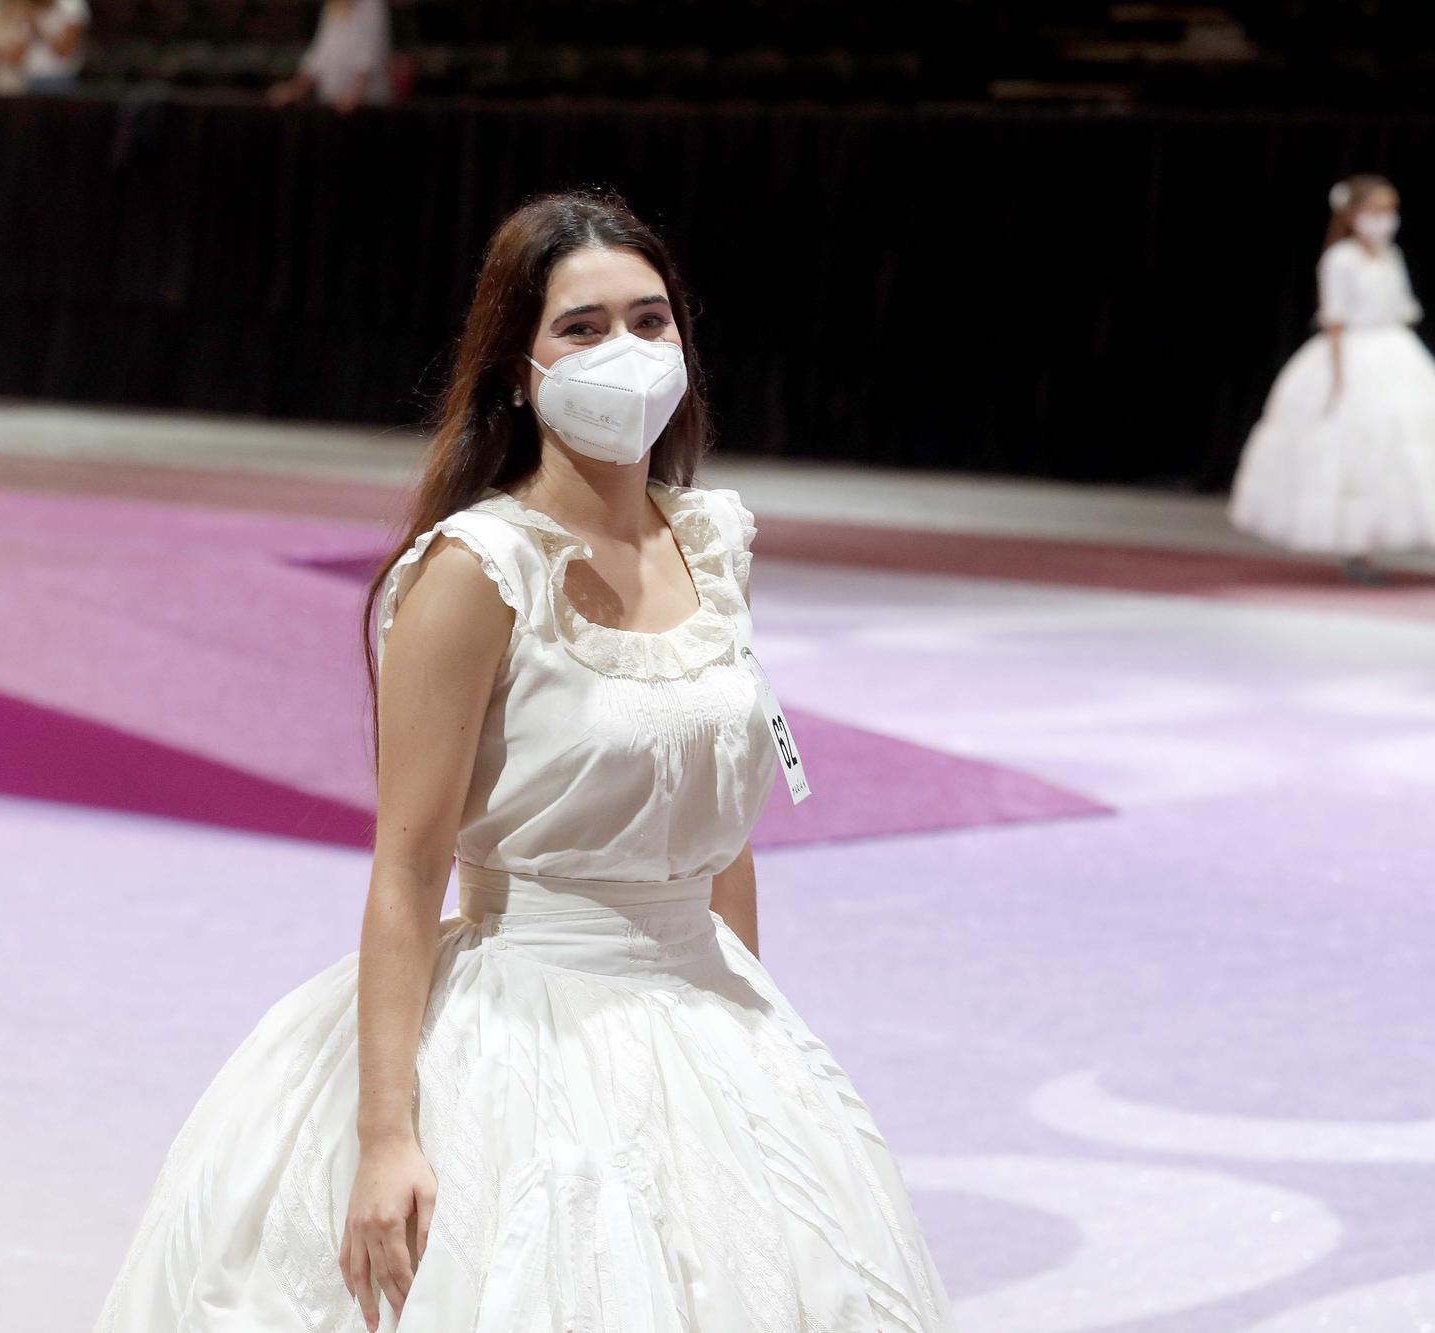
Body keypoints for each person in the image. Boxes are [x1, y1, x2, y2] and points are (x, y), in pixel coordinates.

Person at [91, 191, 957, 1332]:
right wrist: (387, 1132)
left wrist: (760, 1042)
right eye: (582, 328)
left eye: (650, 322)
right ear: (516, 366)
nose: (627, 353)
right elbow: (406, 867)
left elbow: (718, 828)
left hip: (710, 1018)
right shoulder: (476, 568)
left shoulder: (709, 544)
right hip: (527, 1026)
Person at [1229, 174, 1435, 583]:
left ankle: (1372, 542)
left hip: (1393, 351)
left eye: (1389, 211)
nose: (1385, 220)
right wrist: (1337, 379)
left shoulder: (1389, 255)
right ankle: (1354, 547)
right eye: (1376, 211)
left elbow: (1401, 309)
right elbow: (1335, 319)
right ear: (1353, 214)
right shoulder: (1340, 259)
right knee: (1349, 447)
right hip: (1354, 353)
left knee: (1403, 447)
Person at [267, 0, 390, 111]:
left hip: (366, 107)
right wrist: (293, 90)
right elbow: (318, 57)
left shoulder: (372, 4)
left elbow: (369, 54)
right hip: (332, 104)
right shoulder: (331, 6)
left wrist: (355, 94)